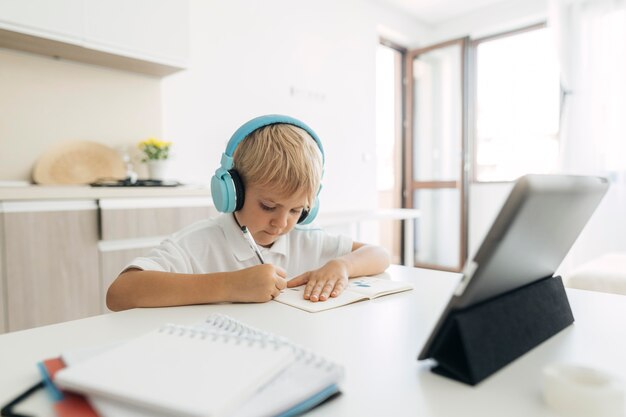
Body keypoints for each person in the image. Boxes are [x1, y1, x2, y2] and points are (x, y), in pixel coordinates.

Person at [106, 115, 390, 311]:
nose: (281, 223)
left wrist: (341, 266)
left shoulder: (305, 238)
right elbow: (120, 293)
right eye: (268, 206)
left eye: (296, 210)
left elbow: (380, 254)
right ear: (232, 192)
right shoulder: (200, 243)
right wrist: (229, 285)